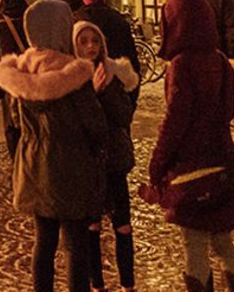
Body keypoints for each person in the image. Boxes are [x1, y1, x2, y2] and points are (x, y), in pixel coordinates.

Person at [0, 0, 109, 292]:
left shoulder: (19, 74)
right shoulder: (74, 74)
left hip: (33, 165)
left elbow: (14, 124)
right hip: (71, 165)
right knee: (75, 244)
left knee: (43, 242)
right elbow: (95, 125)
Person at [147, 0, 234, 292]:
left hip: (192, 167)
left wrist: (157, 164)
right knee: (222, 243)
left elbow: (176, 120)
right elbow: (228, 110)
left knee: (194, 248)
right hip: (222, 161)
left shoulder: (181, 65)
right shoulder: (220, 61)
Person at [74, 18, 140, 292]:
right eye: (84, 41)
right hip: (88, 163)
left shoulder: (114, 72)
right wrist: (93, 93)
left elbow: (123, 116)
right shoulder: (71, 77)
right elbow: (78, 125)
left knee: (122, 223)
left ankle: (128, 283)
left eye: (95, 41)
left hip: (114, 159)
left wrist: (104, 93)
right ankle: (96, 284)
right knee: (92, 225)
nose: (91, 47)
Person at [76, 0, 142, 81]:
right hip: (118, 79)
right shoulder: (117, 19)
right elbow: (130, 52)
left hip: (87, 81)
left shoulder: (77, 20)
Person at [0, 0, 31, 157]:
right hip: (30, 74)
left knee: (10, 121)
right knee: (30, 119)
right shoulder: (30, 16)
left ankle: (15, 159)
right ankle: (30, 156)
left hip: (8, 76)